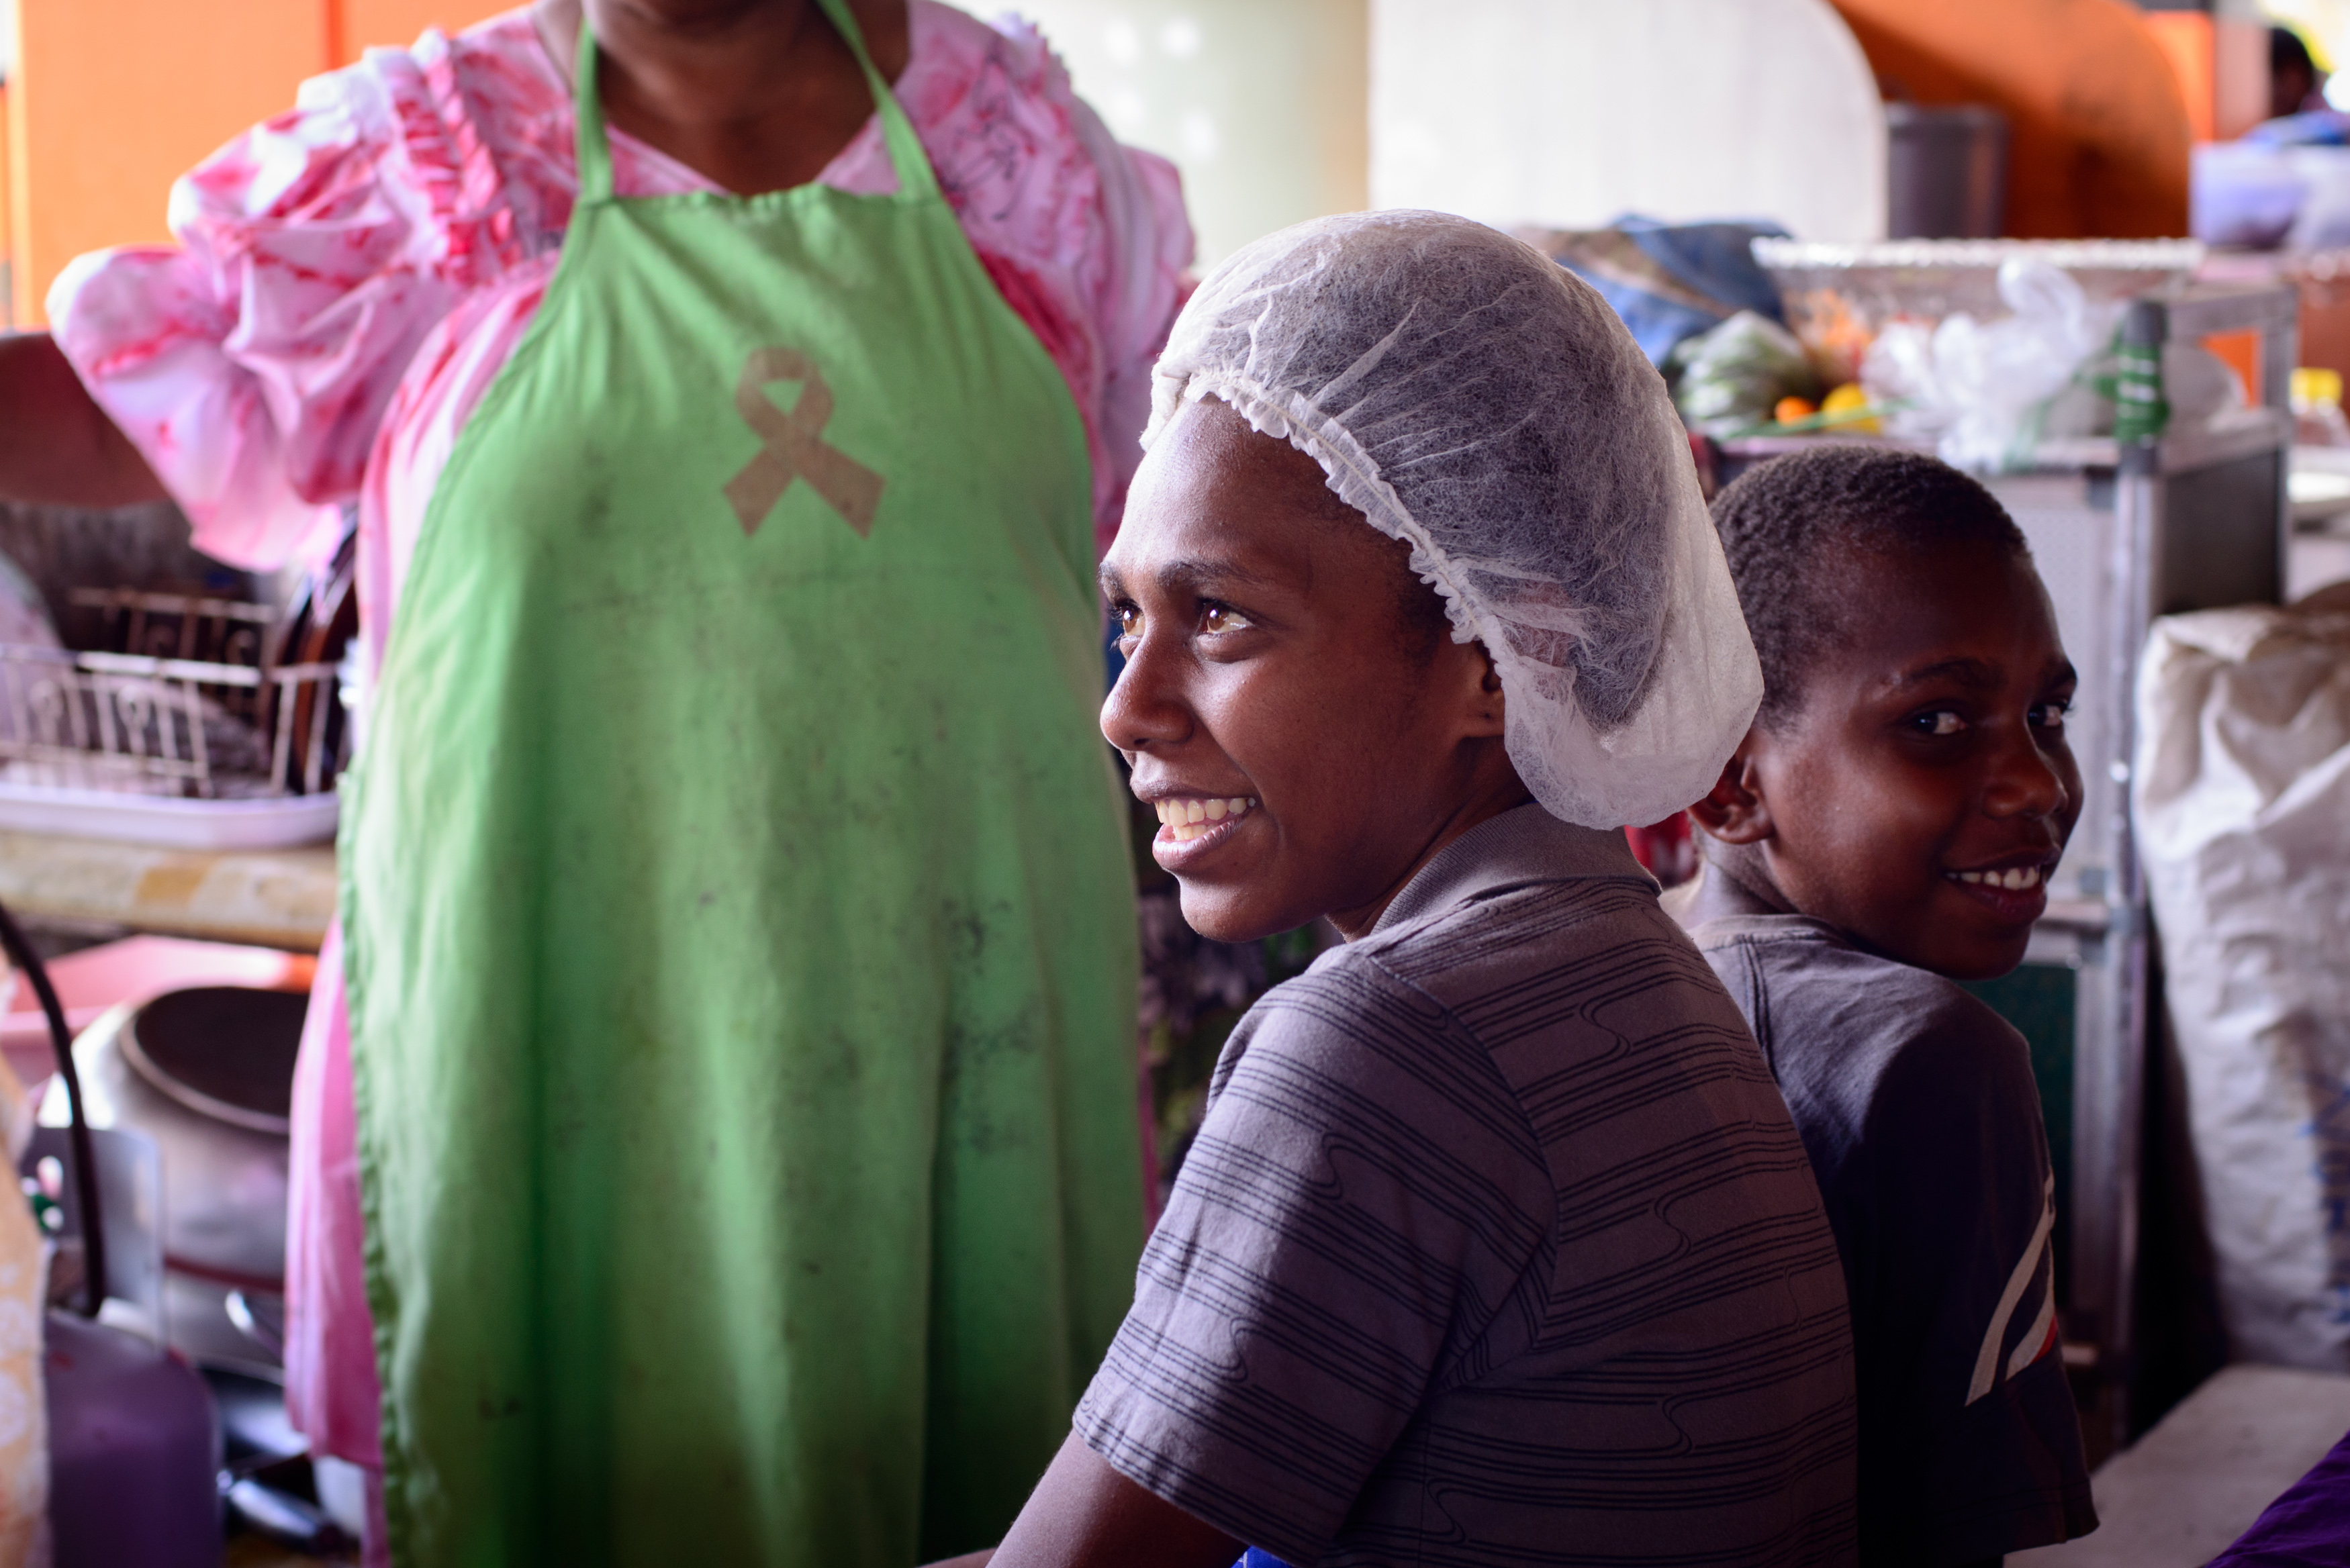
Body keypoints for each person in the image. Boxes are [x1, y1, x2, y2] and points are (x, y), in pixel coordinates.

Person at [3, 0, 1192, 1561]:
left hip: (965, 1054)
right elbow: (144, 393)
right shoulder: (423, 163)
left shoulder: (1020, 153)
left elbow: (1148, 518)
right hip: (550, 1041)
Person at [940, 210, 1861, 1567]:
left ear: (1495, 658)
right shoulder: (1632, 967)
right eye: (1129, 617)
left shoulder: (1383, 1046)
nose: (1125, 709)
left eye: (1222, 615)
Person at [1671, 446, 2098, 1566]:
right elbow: (1950, 1541)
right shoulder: (1928, 1064)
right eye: (1940, 723)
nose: (2040, 785)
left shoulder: (1614, 955)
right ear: (1729, 781)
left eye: (2047, 714)